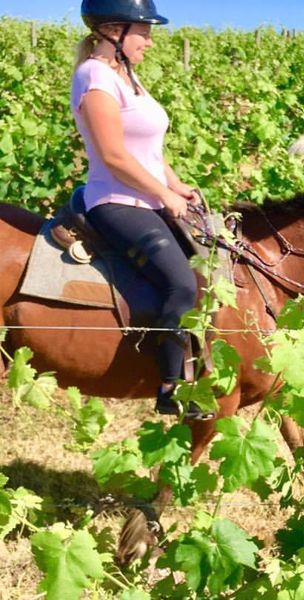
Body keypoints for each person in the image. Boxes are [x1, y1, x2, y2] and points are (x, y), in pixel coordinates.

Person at [71, 0, 212, 420]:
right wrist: (162, 195)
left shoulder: (126, 76)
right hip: (115, 201)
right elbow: (114, 156)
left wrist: (175, 184)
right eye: (143, 31)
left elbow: (147, 148)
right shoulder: (94, 76)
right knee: (181, 284)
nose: (149, 40)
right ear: (114, 30)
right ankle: (171, 387)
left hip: (146, 195)